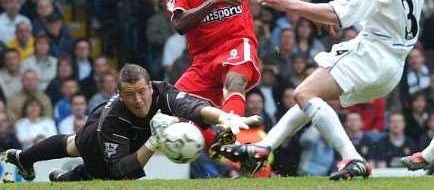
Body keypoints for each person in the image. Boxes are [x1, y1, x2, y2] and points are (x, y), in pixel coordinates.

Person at [220, 0, 434, 180]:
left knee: (304, 94)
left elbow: (335, 14)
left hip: (372, 55)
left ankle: (352, 157)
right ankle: (263, 148)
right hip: (394, 68)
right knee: (310, 99)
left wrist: (288, 5)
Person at [2, 63, 258, 181]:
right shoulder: (115, 118)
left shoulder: (162, 92)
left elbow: (195, 107)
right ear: (120, 94)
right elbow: (119, 169)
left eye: (141, 92)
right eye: (129, 94)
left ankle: (50, 172)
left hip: (135, 135)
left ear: (150, 86)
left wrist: (226, 117)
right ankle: (26, 159)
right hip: (99, 135)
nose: (137, 100)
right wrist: (154, 143)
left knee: (88, 164)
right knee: (79, 150)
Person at [166, 0, 286, 150]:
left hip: (237, 44)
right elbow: (180, 24)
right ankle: (247, 157)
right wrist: (214, 1)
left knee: (235, 82)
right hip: (202, 62)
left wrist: (307, 10)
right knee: (174, 112)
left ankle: (230, 131)